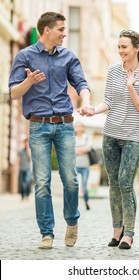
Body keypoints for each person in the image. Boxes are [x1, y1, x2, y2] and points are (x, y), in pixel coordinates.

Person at [8, 12, 95, 249]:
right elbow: (14, 92)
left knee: (71, 180)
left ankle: (72, 222)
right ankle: (47, 233)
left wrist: (85, 102)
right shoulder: (24, 56)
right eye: (60, 29)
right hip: (38, 125)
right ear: (47, 30)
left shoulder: (68, 57)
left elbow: (82, 84)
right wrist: (29, 82)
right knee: (42, 182)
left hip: (65, 124)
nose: (64, 34)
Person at [93, 29, 139, 249]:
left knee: (126, 184)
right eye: (118, 47)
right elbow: (108, 100)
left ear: (136, 48)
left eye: (124, 47)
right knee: (114, 184)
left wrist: (131, 86)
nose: (120, 51)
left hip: (133, 137)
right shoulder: (112, 71)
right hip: (110, 134)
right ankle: (116, 230)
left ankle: (129, 233)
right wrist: (94, 110)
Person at [75, 122, 92, 210]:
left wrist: (77, 151)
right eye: (77, 127)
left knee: (84, 186)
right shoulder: (73, 138)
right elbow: (71, 149)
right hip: (75, 165)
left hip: (85, 165)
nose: (78, 129)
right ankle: (75, 204)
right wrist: (82, 150)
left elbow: (88, 148)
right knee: (75, 185)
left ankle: (86, 201)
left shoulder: (86, 137)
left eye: (80, 127)